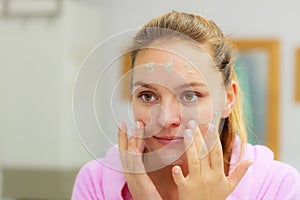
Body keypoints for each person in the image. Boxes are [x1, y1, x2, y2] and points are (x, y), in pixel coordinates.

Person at [71, 11, 300, 199]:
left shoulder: (276, 186)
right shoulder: (96, 182)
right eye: (148, 96)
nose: (166, 118)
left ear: (228, 99)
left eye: (190, 95)